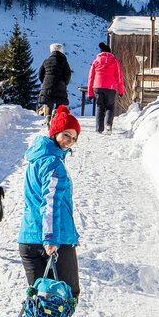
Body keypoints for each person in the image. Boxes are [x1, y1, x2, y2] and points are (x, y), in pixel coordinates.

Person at [17, 105, 82, 300]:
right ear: (55, 133)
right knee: (67, 297)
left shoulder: (36, 158)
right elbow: (50, 202)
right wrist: (51, 238)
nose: (70, 142)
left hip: (28, 238)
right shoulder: (53, 164)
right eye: (66, 135)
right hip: (53, 239)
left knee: (39, 304)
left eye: (74, 138)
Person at [87, 42, 125, 133]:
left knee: (99, 106)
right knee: (110, 106)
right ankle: (108, 125)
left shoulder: (96, 61)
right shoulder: (114, 61)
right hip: (110, 87)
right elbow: (119, 76)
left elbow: (91, 77)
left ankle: (99, 128)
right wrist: (121, 90)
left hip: (97, 86)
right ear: (110, 52)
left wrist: (90, 92)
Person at [37, 42, 73, 125]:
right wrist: (65, 83)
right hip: (60, 85)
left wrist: (45, 82)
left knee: (49, 102)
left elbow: (40, 73)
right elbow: (68, 74)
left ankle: (48, 117)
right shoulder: (64, 61)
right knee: (59, 101)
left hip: (47, 85)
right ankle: (55, 114)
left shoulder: (46, 60)